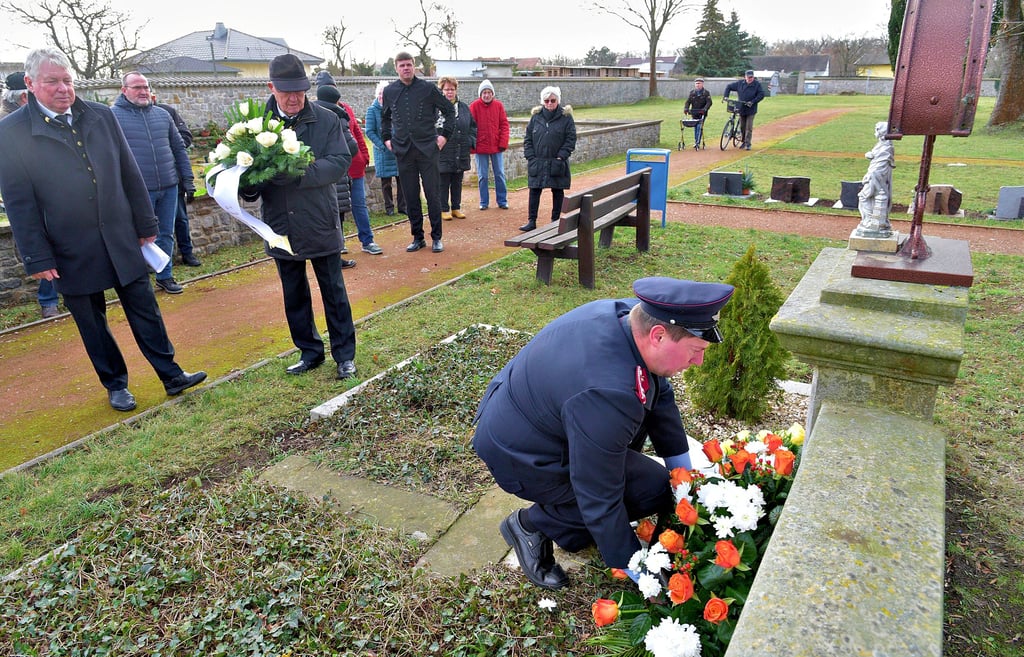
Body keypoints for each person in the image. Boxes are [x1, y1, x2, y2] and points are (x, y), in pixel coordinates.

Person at [473, 276, 735, 590]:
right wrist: (643, 576)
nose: (699, 361)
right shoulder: (607, 392)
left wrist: (684, 473)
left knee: (645, 482)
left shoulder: (628, 317)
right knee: (649, 490)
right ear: (658, 335)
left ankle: (572, 527)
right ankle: (529, 526)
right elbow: (599, 494)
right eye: (695, 349)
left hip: (533, 420)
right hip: (523, 455)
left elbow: (659, 390)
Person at [0, 47, 206, 411]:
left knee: (144, 307)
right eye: (52, 82)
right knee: (91, 321)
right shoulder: (11, 132)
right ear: (30, 84)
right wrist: (36, 255)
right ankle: (116, 385)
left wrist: (146, 223)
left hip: (119, 233)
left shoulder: (99, 115)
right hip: (67, 245)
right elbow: (19, 202)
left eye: (68, 80)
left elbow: (129, 171)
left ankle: (171, 374)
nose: (63, 89)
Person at [242, 53, 358, 380]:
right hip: (280, 224)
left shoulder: (325, 119)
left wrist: (299, 175)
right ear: (271, 87)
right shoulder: (255, 126)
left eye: (300, 91)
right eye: (286, 91)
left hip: (319, 218)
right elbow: (246, 172)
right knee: (294, 293)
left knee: (333, 290)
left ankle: (344, 355)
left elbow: (338, 161)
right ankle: (309, 352)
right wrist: (251, 186)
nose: (294, 98)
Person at [111, 72, 195, 294]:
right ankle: (138, 281)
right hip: (137, 191)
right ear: (124, 90)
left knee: (166, 233)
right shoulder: (113, 117)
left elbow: (179, 149)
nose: (143, 91)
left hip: (168, 186)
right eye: (137, 87)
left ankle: (164, 276)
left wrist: (188, 180)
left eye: (146, 87)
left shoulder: (162, 115)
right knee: (137, 237)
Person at [381, 51, 455, 253]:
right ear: (396, 68)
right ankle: (417, 237)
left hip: (427, 150)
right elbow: (385, 118)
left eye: (409, 65)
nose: (406, 68)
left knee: (432, 194)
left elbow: (449, 111)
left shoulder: (428, 89)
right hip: (403, 151)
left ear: (414, 66)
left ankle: (436, 237)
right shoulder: (389, 91)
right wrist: (387, 139)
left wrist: (444, 136)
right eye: (402, 65)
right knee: (411, 196)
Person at [1, 71, 59, 319]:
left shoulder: (41, 116)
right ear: (24, 96)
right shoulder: (8, 124)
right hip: (29, 198)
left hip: (53, 193)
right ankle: (48, 300)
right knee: (42, 246)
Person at [315, 76, 383, 256]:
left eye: (332, 86)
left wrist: (364, 155)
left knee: (359, 205)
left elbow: (357, 134)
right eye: (326, 87)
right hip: (335, 170)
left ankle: (367, 241)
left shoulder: (346, 109)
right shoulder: (316, 112)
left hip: (355, 166)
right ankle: (339, 243)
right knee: (336, 207)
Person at [313, 82, 359, 269]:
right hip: (336, 176)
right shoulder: (337, 116)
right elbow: (352, 146)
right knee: (335, 221)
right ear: (337, 100)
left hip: (316, 174)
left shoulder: (311, 114)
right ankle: (335, 259)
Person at [153, 93, 202, 268]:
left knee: (180, 218)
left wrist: (165, 145)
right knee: (149, 224)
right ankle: (154, 261)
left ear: (153, 96)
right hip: (147, 181)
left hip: (173, 176)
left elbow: (186, 137)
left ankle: (187, 253)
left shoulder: (168, 112)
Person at [521, 86, 576, 232]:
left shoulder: (566, 118)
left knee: (557, 191)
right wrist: (530, 157)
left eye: (553, 100)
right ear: (542, 101)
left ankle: (555, 221)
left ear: (558, 100)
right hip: (537, 161)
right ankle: (531, 221)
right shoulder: (536, 117)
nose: (550, 103)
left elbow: (570, 139)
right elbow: (528, 139)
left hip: (557, 161)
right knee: (534, 190)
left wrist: (561, 157)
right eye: (547, 100)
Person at [436, 76, 476, 221]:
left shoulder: (464, 107)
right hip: (443, 152)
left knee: (457, 181)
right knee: (443, 181)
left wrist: (471, 141)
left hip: (461, 151)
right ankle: (443, 208)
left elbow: (472, 127)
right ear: (441, 91)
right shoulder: (436, 108)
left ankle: (456, 207)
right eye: (446, 89)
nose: (449, 92)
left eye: (452, 89)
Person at [469, 79, 509, 211]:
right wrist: (472, 144)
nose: (486, 95)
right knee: (483, 176)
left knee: (499, 174)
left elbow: (504, 125)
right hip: (481, 147)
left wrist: (503, 142)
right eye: (484, 92)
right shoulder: (474, 106)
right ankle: (484, 201)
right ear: (480, 94)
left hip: (496, 146)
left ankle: (502, 200)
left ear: (492, 93)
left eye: (489, 92)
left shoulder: (499, 106)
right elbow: (470, 127)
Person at [365, 80, 404, 216]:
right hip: (382, 151)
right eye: (380, 93)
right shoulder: (372, 110)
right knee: (386, 183)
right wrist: (382, 145)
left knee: (401, 180)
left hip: (397, 149)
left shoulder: (395, 108)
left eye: (385, 93)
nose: (382, 96)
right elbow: (369, 131)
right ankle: (389, 208)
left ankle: (403, 207)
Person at [857, 121, 895, 237]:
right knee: (867, 197)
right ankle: (871, 221)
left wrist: (869, 177)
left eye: (876, 129)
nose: (875, 132)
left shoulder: (886, 147)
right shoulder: (883, 144)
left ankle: (869, 221)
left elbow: (878, 169)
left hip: (875, 179)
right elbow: (876, 158)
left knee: (864, 197)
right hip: (876, 177)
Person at [723, 70, 765, 151]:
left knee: (748, 127)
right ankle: (743, 141)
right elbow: (729, 86)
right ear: (745, 77)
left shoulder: (757, 85)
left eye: (751, 77)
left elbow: (761, 94)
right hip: (741, 108)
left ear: (753, 77)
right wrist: (726, 96)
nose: (750, 79)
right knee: (742, 126)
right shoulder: (740, 83)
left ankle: (748, 143)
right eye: (748, 77)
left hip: (751, 109)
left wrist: (752, 101)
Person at [683, 77, 712, 149]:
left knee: (699, 127)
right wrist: (686, 108)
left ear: (702, 84)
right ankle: (696, 141)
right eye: (696, 83)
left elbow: (709, 102)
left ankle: (697, 142)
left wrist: (705, 109)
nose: (697, 85)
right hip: (694, 112)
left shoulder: (706, 93)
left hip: (702, 113)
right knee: (695, 127)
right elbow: (688, 101)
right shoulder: (692, 93)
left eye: (699, 83)